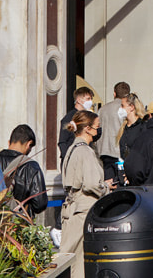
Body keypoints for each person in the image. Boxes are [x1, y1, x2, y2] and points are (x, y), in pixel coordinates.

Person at [61, 110, 114, 278]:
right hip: (82, 211)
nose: (98, 130)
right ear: (88, 129)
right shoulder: (85, 151)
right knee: (75, 259)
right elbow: (91, 184)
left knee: (71, 259)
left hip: (71, 208)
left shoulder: (71, 149)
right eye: (97, 127)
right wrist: (105, 187)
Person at [0, 124, 48, 218]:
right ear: (29, 144)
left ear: (9, 142)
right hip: (19, 224)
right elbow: (40, 204)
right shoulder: (32, 166)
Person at [96, 81, 131, 179]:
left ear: (114, 93)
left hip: (104, 151)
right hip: (120, 153)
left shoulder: (102, 109)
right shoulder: (127, 109)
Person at [58, 86, 96, 161]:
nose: (90, 102)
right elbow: (62, 141)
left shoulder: (88, 116)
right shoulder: (69, 118)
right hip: (72, 159)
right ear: (78, 100)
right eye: (88, 99)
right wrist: (68, 158)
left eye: (91, 99)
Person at [117, 92, 146, 160]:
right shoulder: (124, 127)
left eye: (122, 106)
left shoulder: (142, 126)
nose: (120, 109)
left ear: (132, 107)